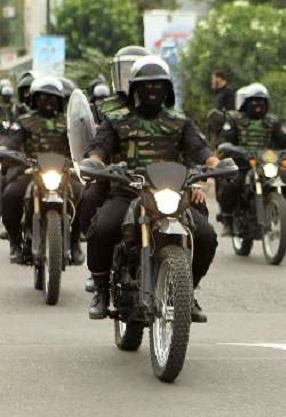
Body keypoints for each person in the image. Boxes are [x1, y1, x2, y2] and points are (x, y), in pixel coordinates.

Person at [83, 56, 219, 323]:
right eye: (146, 85)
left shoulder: (180, 121)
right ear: (135, 90)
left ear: (167, 89)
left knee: (205, 235)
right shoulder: (117, 120)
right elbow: (99, 148)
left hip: (171, 193)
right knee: (103, 228)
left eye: (158, 85)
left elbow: (200, 149)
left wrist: (216, 164)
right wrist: (95, 163)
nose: (153, 90)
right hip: (128, 192)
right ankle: (101, 291)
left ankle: (187, 292)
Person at [81, 45, 151, 293]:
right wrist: (97, 163)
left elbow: (188, 149)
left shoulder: (169, 114)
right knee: (91, 204)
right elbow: (96, 142)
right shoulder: (107, 108)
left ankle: (187, 286)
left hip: (159, 183)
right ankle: (98, 274)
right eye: (126, 71)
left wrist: (194, 177)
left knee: (200, 224)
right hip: (115, 177)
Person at [1, 76, 84, 264]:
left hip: (64, 172)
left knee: (83, 195)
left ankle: (75, 240)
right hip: (30, 170)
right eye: (43, 97)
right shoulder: (24, 121)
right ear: (35, 99)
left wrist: (85, 158)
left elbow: (80, 144)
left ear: (60, 100)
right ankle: (15, 241)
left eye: (53, 98)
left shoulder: (69, 122)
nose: (48, 101)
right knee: (11, 195)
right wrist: (6, 151)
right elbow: (12, 141)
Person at [216, 82, 286, 235]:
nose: (258, 104)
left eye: (261, 101)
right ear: (246, 102)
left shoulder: (272, 121)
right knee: (231, 185)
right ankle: (227, 218)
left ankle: (279, 215)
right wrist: (228, 147)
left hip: (266, 163)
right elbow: (224, 139)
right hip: (241, 163)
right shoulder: (234, 119)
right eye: (254, 101)